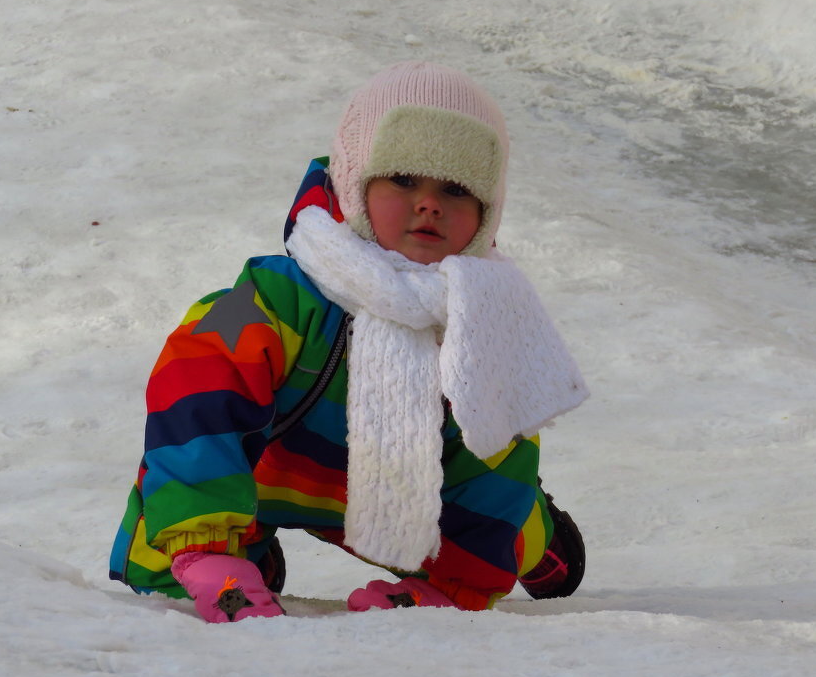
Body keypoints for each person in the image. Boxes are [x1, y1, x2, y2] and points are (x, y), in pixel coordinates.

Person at [109, 61, 589, 623]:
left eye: (455, 189)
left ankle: (543, 530)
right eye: (404, 179)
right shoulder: (272, 296)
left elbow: (494, 458)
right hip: (263, 473)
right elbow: (195, 390)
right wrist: (205, 550)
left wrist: (458, 589)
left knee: (506, 522)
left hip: (400, 491)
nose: (429, 203)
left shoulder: (485, 322)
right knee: (163, 567)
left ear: (487, 214)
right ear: (355, 184)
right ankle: (240, 545)